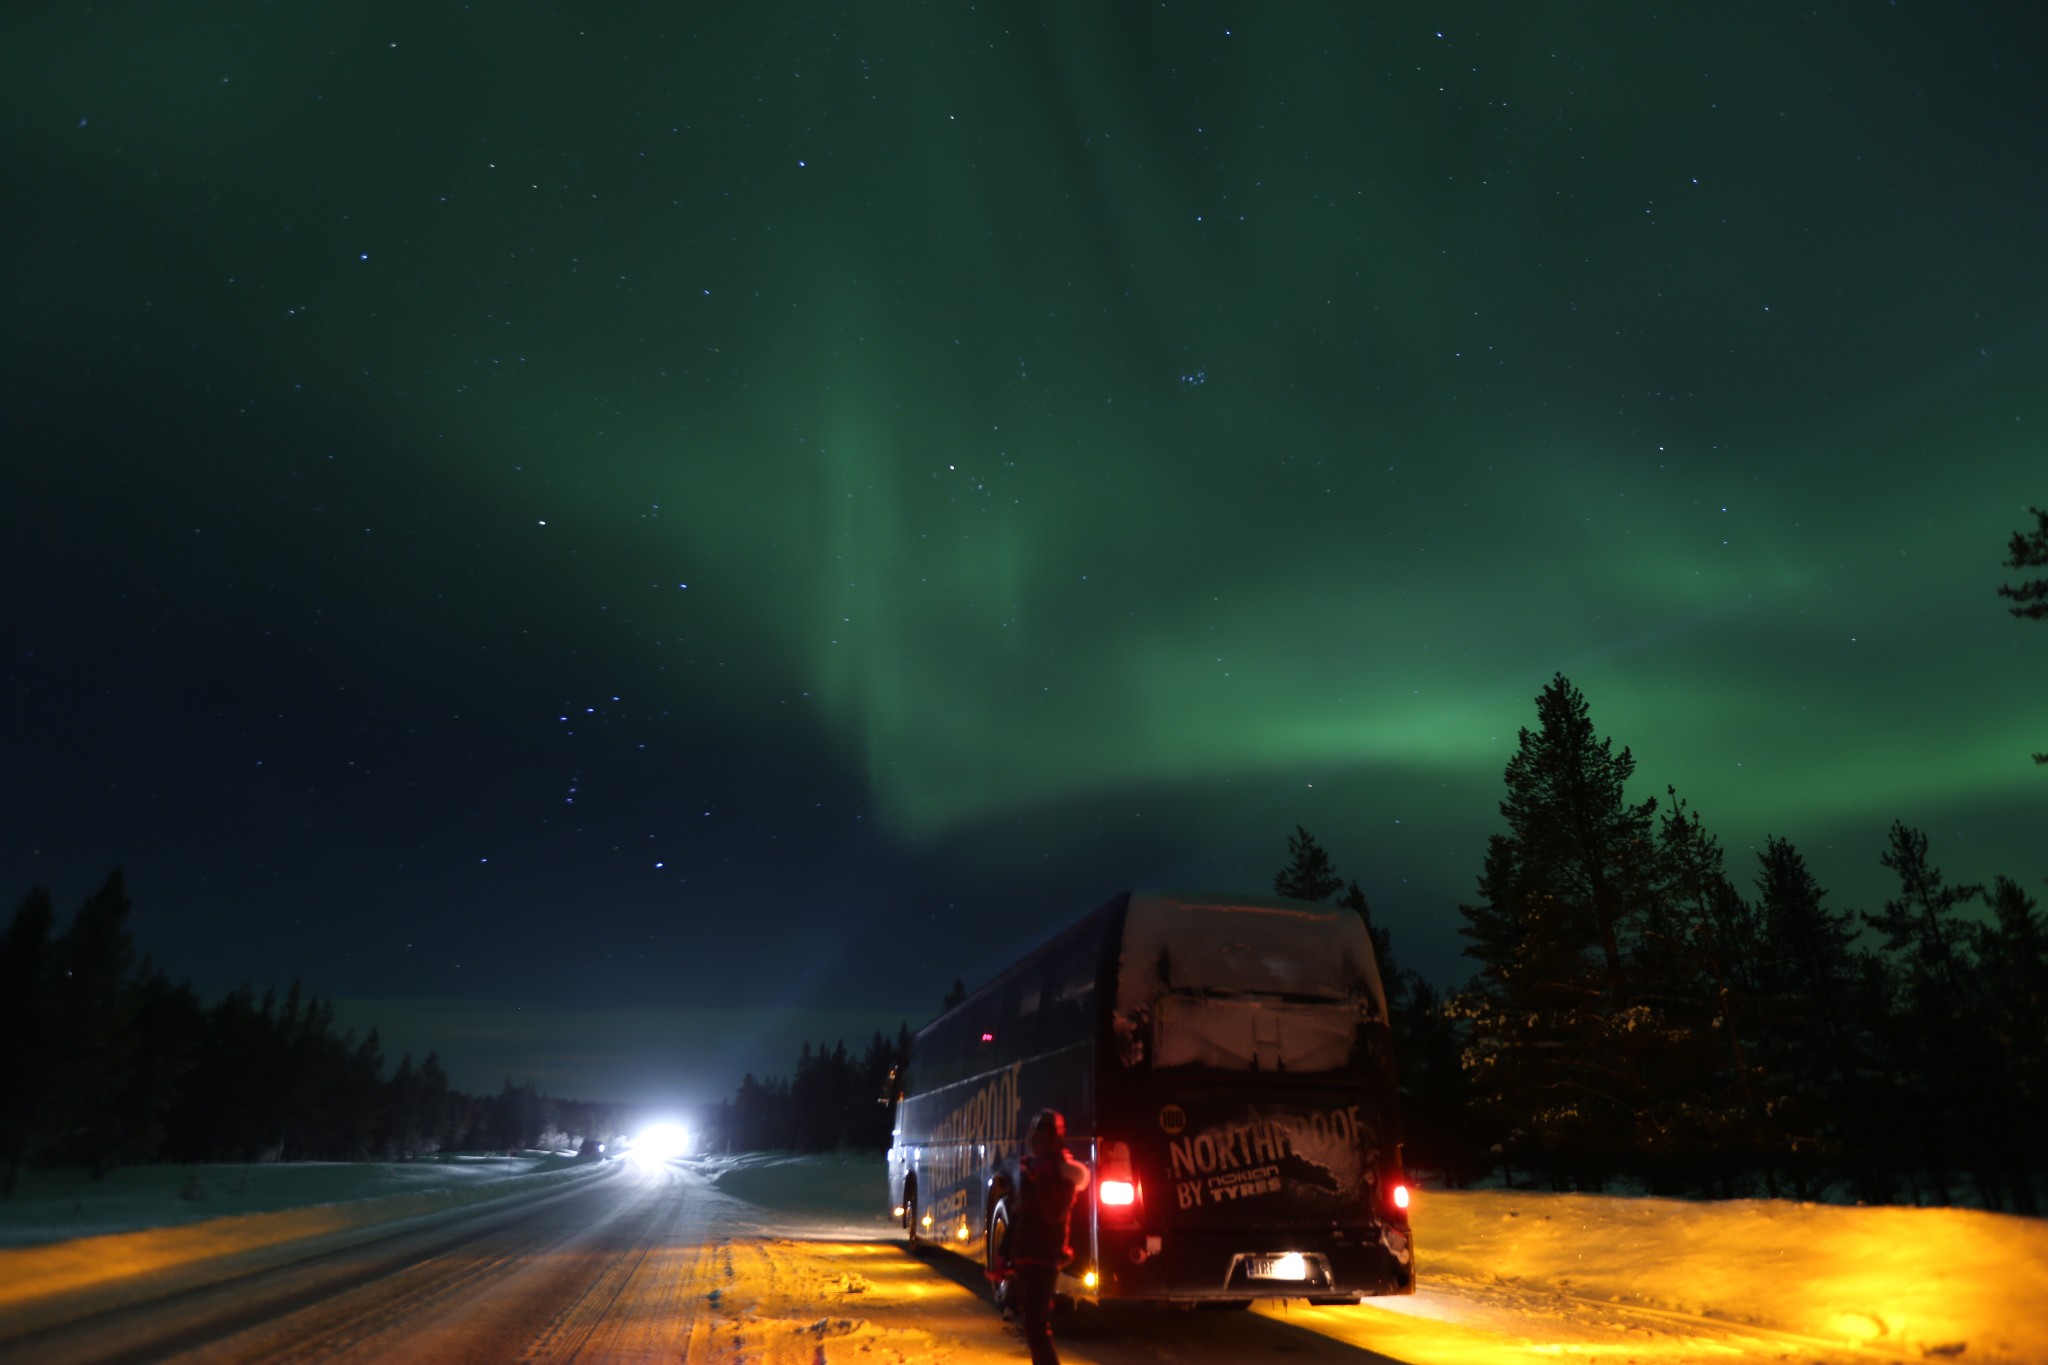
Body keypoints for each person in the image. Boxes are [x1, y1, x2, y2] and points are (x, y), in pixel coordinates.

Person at [1007, 1108, 1090, 1365]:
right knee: (1031, 1325)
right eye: (1035, 1139)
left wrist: (1041, 1179)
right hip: (1024, 1257)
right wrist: (1003, 1254)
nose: (1038, 1144)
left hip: (1043, 1258)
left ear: (1055, 1141)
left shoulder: (1060, 1175)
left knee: (1037, 1325)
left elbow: (1052, 1212)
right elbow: (1018, 1215)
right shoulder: (1030, 1169)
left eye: (1044, 1140)